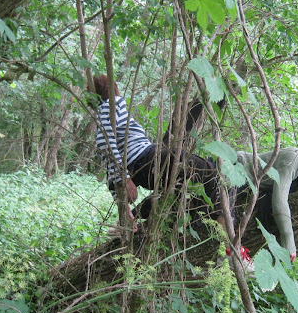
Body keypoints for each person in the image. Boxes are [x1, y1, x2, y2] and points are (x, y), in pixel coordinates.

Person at [93, 75, 226, 230]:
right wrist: (125, 179)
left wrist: (126, 211)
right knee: (210, 173)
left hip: (145, 162)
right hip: (146, 158)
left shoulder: (102, 114)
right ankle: (223, 232)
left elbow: (109, 169)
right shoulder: (112, 103)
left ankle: (136, 215)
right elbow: (104, 144)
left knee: (174, 188)